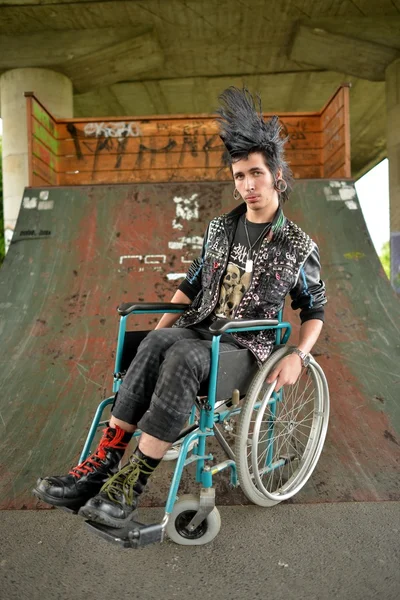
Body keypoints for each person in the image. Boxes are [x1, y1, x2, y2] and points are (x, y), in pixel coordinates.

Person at [33, 87, 327, 529]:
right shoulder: (220, 230)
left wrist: (299, 358)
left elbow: (314, 310)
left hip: (247, 347)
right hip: (203, 328)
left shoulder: (297, 246)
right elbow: (190, 288)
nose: (247, 185)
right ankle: (101, 466)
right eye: (239, 176)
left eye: (255, 174)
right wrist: (158, 332)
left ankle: (131, 485)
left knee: (184, 355)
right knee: (158, 344)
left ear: (277, 175)